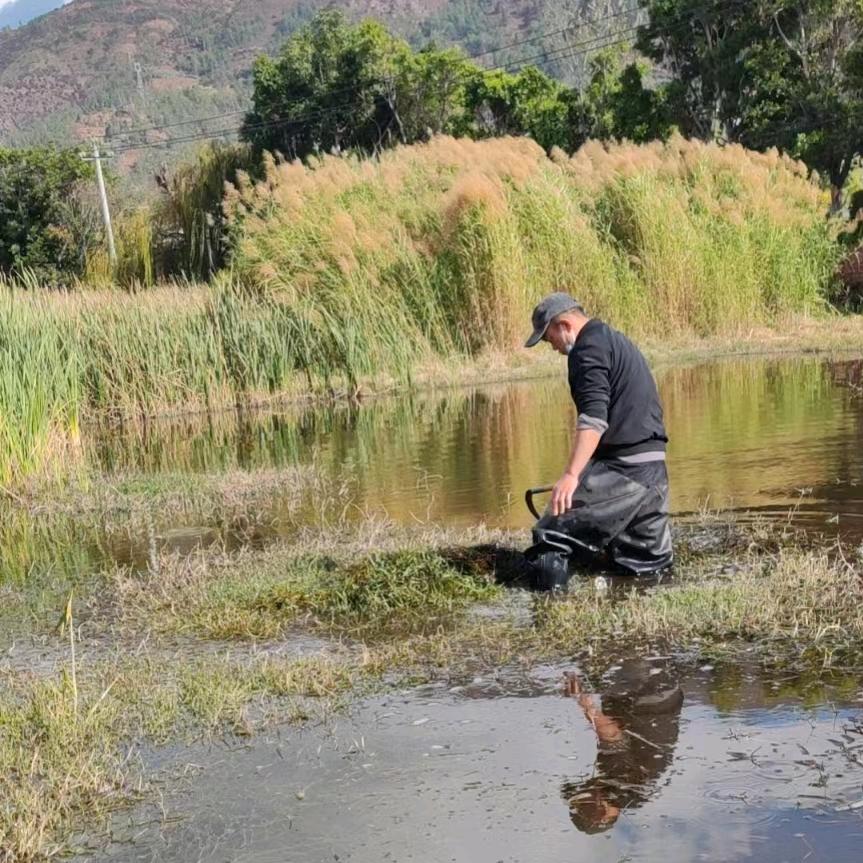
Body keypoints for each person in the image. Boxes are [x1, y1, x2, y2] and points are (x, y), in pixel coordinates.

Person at [523, 293, 672, 590]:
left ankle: (549, 616)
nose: (552, 347)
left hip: (625, 470)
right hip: (653, 470)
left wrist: (571, 475)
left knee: (551, 536)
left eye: (548, 338)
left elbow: (593, 419)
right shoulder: (615, 340)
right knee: (645, 563)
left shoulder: (587, 350)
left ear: (564, 324)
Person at [561, 659, 683, 834]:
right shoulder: (619, 786)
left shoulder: (634, 792)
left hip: (662, 696)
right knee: (625, 647)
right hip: (645, 694)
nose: (585, 786)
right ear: (599, 808)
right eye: (584, 797)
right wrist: (582, 700)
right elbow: (612, 736)